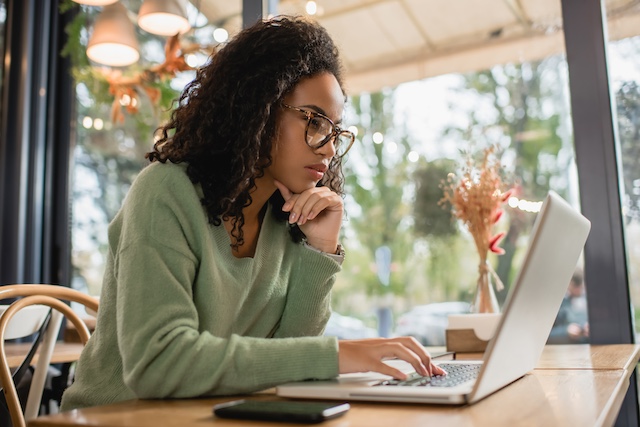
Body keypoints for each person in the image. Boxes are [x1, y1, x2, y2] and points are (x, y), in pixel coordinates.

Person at [61, 15, 444, 410]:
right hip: (114, 417)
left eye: (335, 130)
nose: (328, 148)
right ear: (254, 107)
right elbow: (159, 363)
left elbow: (287, 360)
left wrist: (321, 249)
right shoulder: (165, 191)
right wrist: (337, 355)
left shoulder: (287, 218)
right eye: (314, 121)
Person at [547, 268, 589, 344]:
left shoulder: (586, 298)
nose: (580, 290)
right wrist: (566, 331)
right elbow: (546, 336)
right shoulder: (558, 304)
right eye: (577, 286)